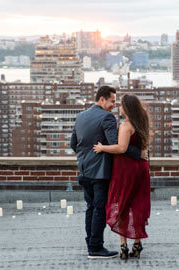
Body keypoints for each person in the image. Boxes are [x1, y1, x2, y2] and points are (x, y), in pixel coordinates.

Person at [70, 86, 146, 259]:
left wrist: (86, 156)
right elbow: (119, 145)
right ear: (102, 99)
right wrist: (139, 154)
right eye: (112, 101)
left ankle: (91, 242)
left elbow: (73, 144)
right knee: (100, 209)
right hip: (100, 171)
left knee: (91, 208)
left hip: (83, 169)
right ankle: (96, 248)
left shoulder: (81, 116)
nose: (114, 105)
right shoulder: (107, 117)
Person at [93, 94, 151, 260]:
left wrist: (102, 148)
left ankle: (123, 245)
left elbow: (121, 148)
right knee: (137, 204)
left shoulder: (126, 126)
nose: (119, 107)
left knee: (121, 203)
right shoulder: (142, 123)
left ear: (126, 108)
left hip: (126, 169)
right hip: (141, 168)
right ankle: (137, 243)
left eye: (121, 105)